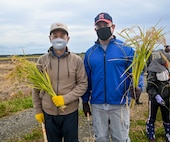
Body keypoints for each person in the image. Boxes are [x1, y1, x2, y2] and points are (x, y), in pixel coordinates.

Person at [81, 12, 142, 142]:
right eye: (99, 25)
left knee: (120, 138)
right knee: (101, 138)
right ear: (95, 29)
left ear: (113, 26)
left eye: (105, 24)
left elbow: (137, 72)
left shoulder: (125, 49)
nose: (102, 27)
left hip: (119, 103)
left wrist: (138, 86)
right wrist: (85, 101)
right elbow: (86, 79)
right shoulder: (89, 53)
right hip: (97, 104)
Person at [32, 23, 88, 142]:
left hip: (69, 112)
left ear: (68, 39)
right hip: (49, 113)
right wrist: (38, 110)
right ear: (50, 38)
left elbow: (83, 84)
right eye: (55, 35)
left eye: (62, 36)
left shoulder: (76, 60)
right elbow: (36, 88)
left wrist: (65, 99)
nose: (58, 38)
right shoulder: (42, 60)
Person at [146, 49, 170, 142]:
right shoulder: (153, 69)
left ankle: (168, 132)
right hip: (155, 99)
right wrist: (156, 96)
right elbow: (149, 86)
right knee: (152, 117)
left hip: (166, 98)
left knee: (166, 117)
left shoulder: (167, 69)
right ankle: (151, 133)